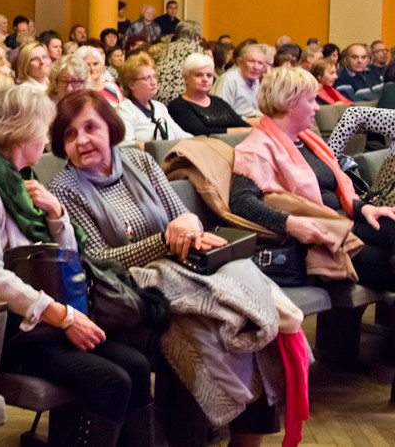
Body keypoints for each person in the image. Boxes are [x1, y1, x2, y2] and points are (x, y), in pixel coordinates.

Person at [50, 90, 282, 447]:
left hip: (180, 272)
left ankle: (247, 439)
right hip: (127, 295)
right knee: (192, 328)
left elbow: (182, 215)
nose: (82, 140)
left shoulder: (139, 163)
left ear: (111, 128)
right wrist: (166, 241)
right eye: (69, 134)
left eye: (90, 128)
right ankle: (186, 440)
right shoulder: (64, 189)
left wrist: (187, 224)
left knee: (242, 316)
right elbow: (97, 261)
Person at [0, 84, 153, 446]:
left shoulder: (24, 183)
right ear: (21, 131)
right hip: (2, 331)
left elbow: (65, 259)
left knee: (135, 365)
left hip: (41, 322)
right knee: (111, 380)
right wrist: (64, 316)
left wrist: (57, 216)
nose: (47, 138)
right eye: (44, 128)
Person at [231, 67, 395, 291]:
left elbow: (331, 189)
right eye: (311, 100)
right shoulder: (257, 148)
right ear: (289, 103)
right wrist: (290, 223)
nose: (317, 107)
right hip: (318, 237)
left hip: (343, 220)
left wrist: (362, 208)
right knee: (386, 265)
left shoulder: (307, 140)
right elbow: (240, 201)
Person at [115, 53, 192, 144]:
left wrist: (201, 141)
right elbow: (127, 144)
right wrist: (156, 148)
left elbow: (180, 134)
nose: (154, 82)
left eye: (154, 76)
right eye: (147, 78)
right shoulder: (125, 110)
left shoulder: (159, 107)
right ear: (131, 84)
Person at [167, 53, 251, 136]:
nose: (205, 79)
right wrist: (242, 130)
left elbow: (242, 124)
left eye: (209, 75)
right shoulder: (178, 106)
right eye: (199, 75)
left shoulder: (218, 102)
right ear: (186, 78)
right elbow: (201, 133)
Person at [153, 20, 204, 103]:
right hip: (183, 101)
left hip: (156, 98)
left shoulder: (162, 49)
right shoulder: (199, 52)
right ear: (197, 37)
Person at [212, 43, 268, 118]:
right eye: (251, 61)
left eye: (260, 63)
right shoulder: (229, 80)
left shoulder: (256, 80)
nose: (256, 67)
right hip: (237, 126)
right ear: (240, 62)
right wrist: (250, 121)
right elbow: (220, 115)